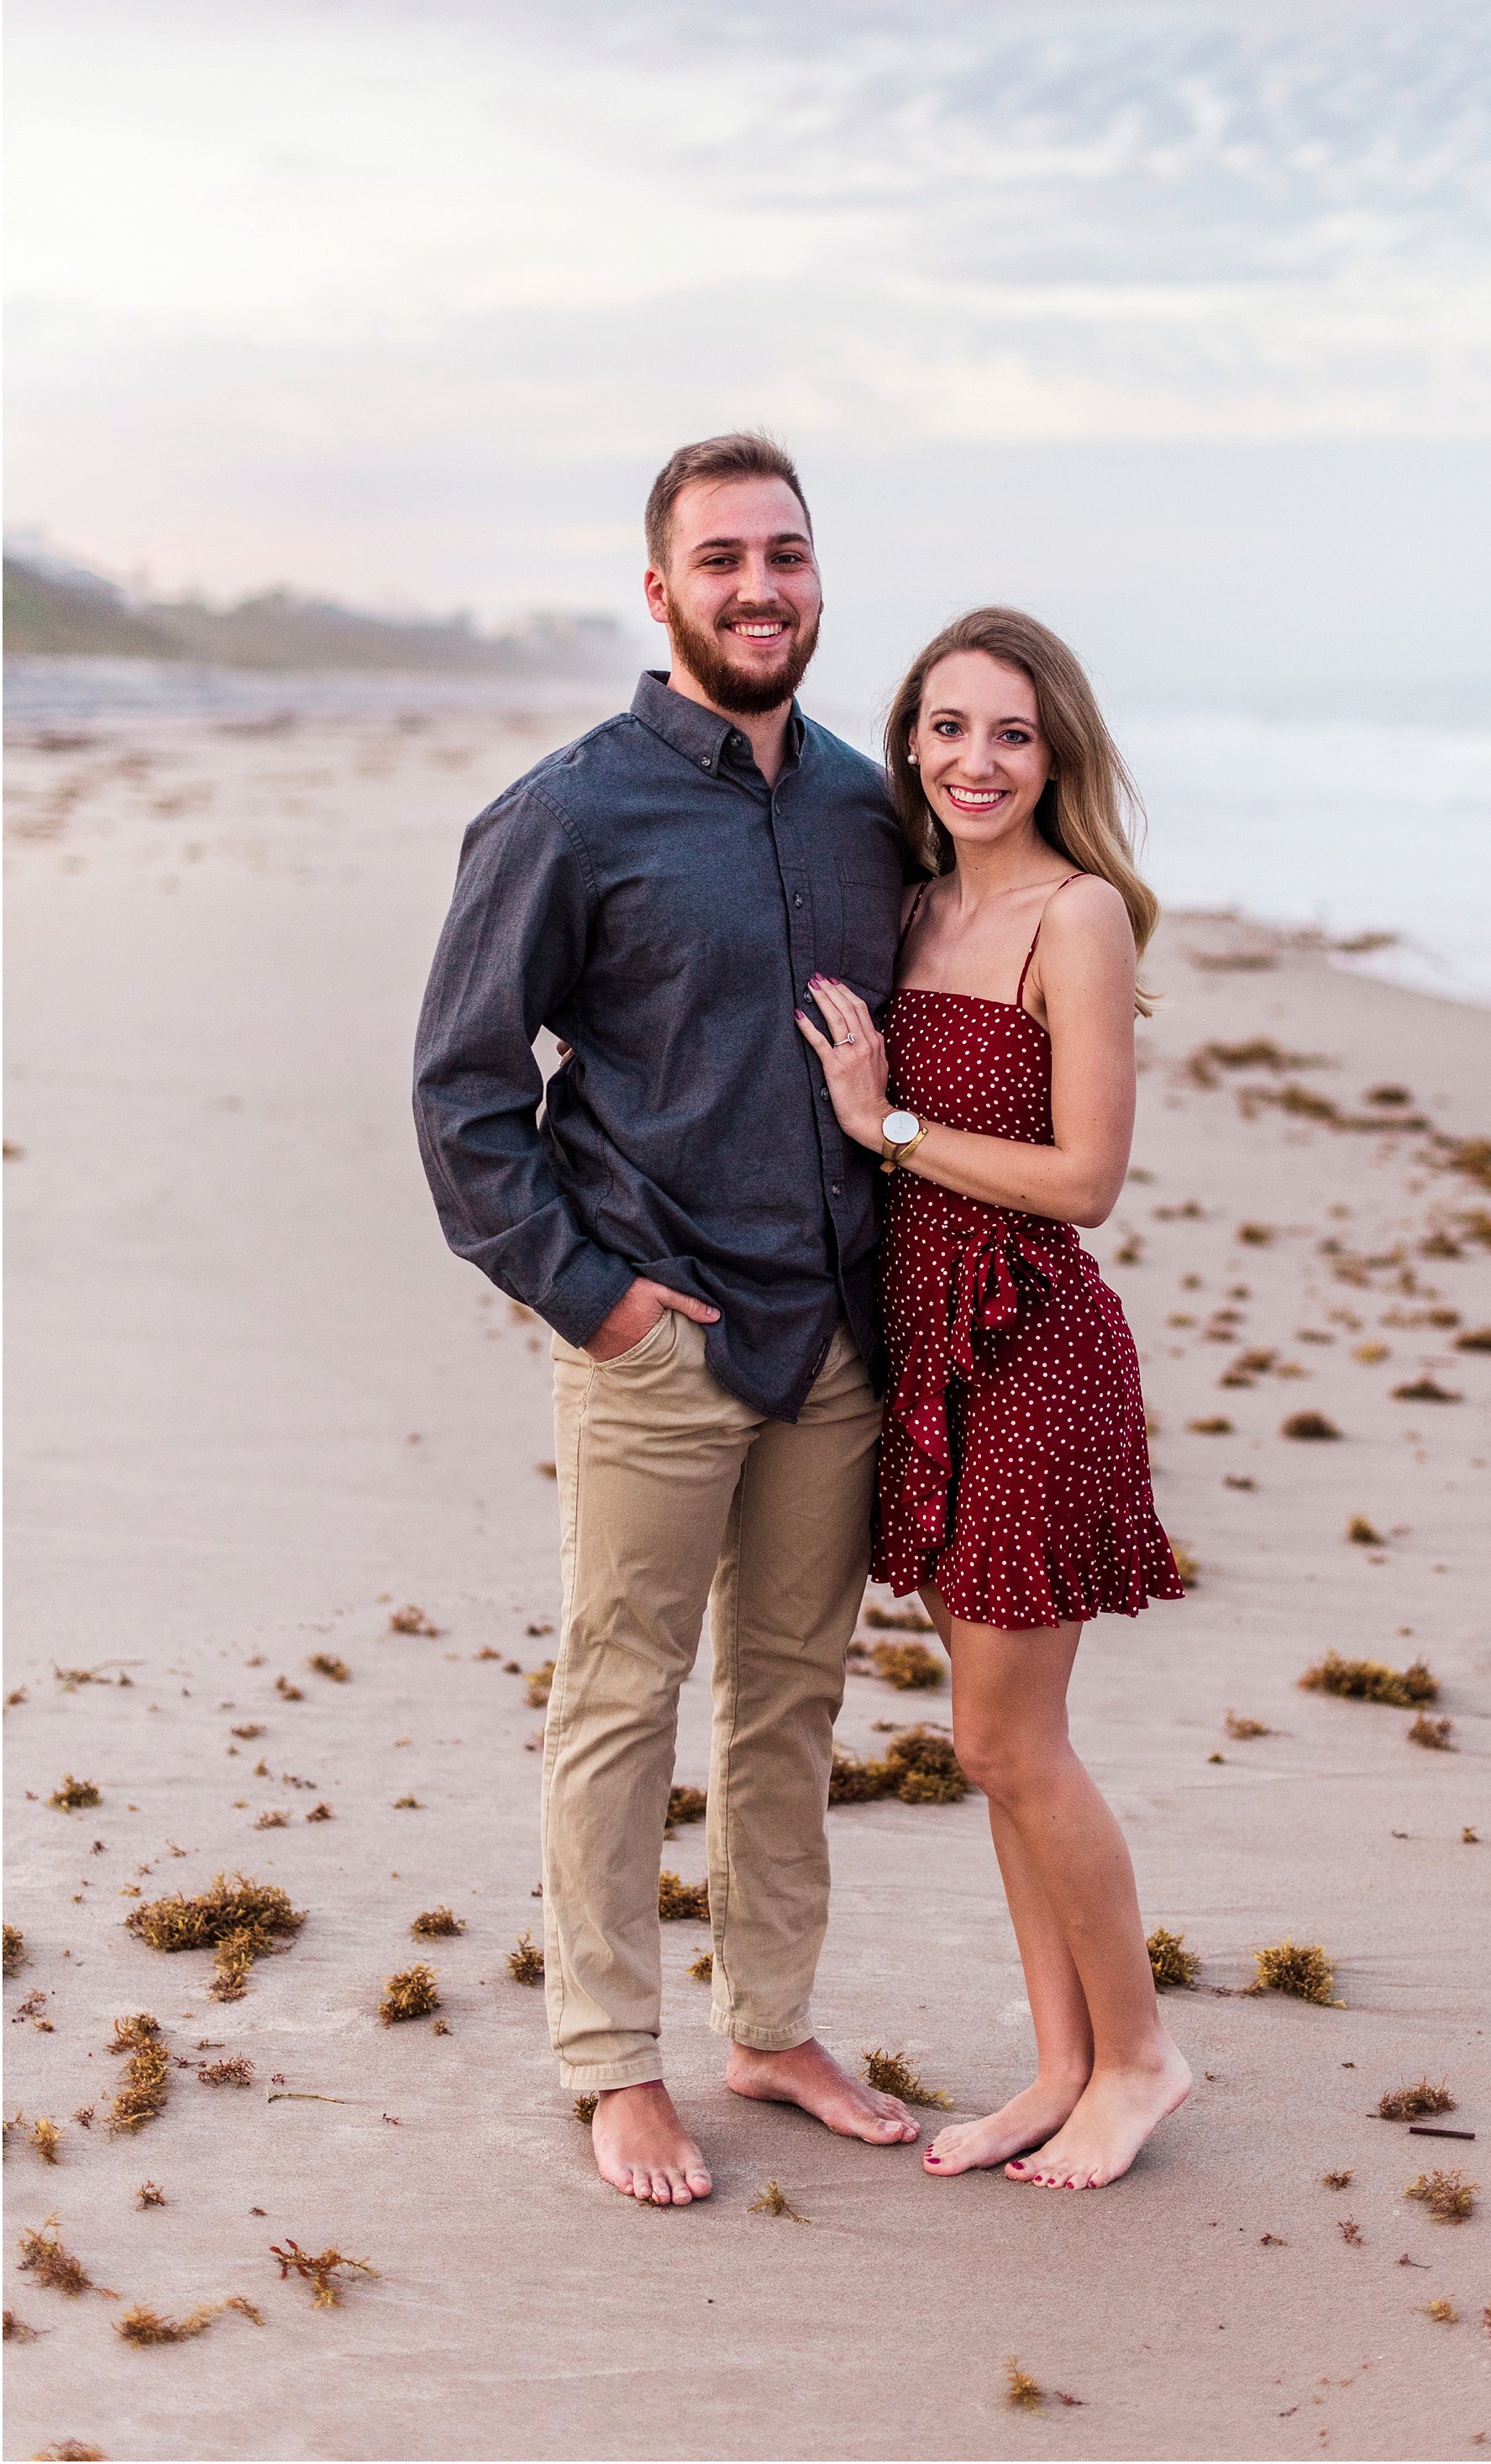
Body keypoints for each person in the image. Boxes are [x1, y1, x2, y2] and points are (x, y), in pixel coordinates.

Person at [413, 431, 921, 2207]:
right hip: (661, 1331)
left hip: (833, 1337)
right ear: (660, 591)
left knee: (791, 1701)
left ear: (817, 578)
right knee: (621, 1695)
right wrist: (596, 1297)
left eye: (785, 555)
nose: (759, 589)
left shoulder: (870, 807)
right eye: (722, 560)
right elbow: (463, 1090)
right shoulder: (567, 814)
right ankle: (611, 2062)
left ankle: (767, 2027)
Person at [796, 607, 1191, 2192]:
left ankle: (1142, 2058)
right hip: (933, 1360)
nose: (978, 760)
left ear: (1054, 755)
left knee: (1009, 1741)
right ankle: (1059, 2066)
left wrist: (886, 1126)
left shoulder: (1074, 916)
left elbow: (1086, 1179)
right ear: (910, 740)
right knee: (995, 1748)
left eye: (1013, 734)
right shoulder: (908, 906)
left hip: (1032, 1350)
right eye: (951, 727)